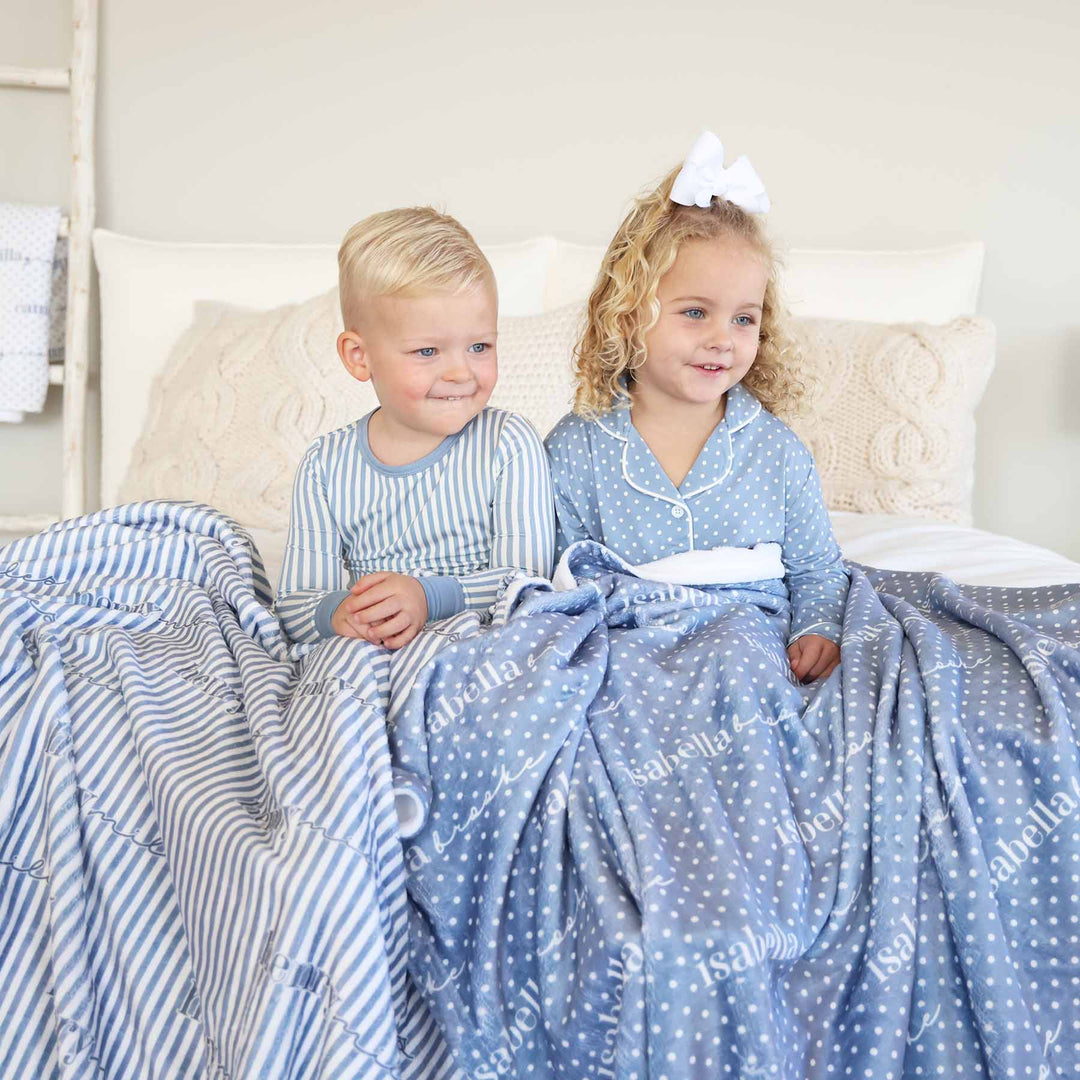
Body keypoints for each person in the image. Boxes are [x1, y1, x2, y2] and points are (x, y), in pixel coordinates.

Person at [544, 132, 847, 683]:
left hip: (750, 651)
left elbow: (817, 570)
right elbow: (559, 580)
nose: (723, 340)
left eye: (743, 319)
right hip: (630, 657)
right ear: (630, 313)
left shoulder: (776, 452)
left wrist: (817, 631)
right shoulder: (576, 447)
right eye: (694, 312)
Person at [276, 206, 555, 649]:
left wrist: (427, 596)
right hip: (369, 655)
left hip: (478, 650)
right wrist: (339, 613)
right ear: (358, 356)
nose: (460, 373)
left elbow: (530, 584)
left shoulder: (507, 443)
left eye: (479, 346)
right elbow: (292, 604)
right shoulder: (326, 465)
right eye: (427, 352)